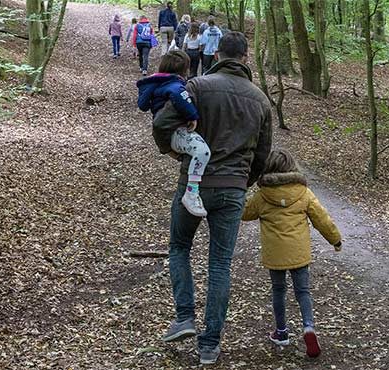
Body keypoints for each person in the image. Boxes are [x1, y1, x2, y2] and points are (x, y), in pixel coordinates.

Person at [151, 32, 273, 365]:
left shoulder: (197, 87)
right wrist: (241, 183)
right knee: (220, 264)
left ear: (217, 53)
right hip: (232, 188)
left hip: (194, 183)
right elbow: (263, 155)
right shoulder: (261, 100)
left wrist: (177, 154)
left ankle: (185, 317)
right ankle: (209, 345)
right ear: (246, 57)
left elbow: (162, 124)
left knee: (179, 247)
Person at [241, 149, 342, 359]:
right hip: (299, 252)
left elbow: (245, 213)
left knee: (278, 290)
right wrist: (335, 239)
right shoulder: (303, 193)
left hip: (275, 253)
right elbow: (322, 219)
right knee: (303, 291)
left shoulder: (262, 195)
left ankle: (281, 332)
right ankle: (308, 327)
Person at [136, 51, 209, 217]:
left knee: (189, 154)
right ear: (183, 70)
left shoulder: (155, 83)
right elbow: (179, 94)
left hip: (166, 133)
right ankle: (192, 192)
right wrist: (193, 116)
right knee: (202, 151)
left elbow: (142, 105)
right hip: (175, 130)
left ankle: (183, 165)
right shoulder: (174, 84)